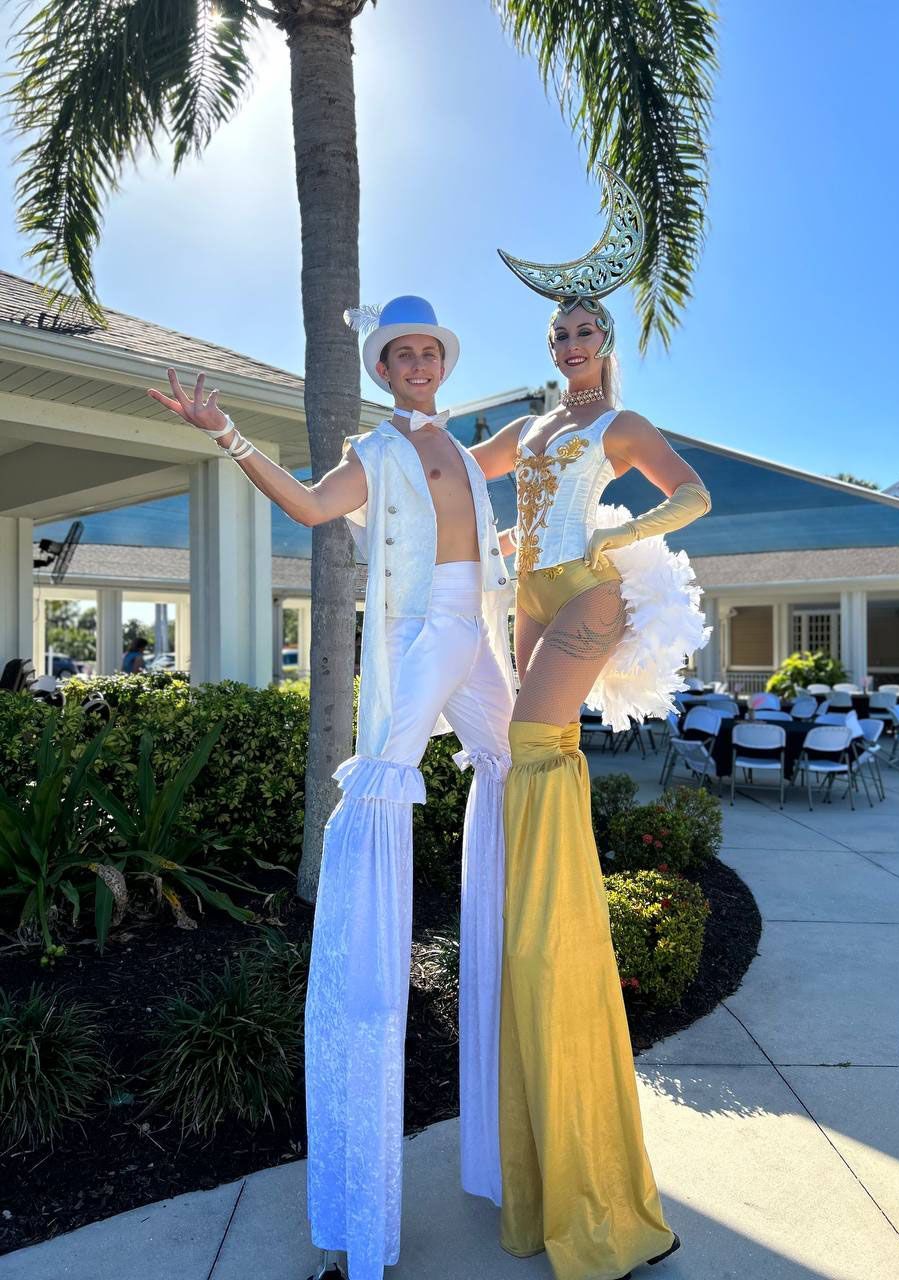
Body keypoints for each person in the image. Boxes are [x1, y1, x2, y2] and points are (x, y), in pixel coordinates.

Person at [146, 295, 515, 1280]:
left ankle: (515, 1111)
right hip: (427, 630)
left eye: (430, 348)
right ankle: (362, 1212)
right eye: (401, 353)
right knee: (381, 797)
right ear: (384, 368)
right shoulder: (380, 450)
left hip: (480, 630)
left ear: (446, 358)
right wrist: (224, 431)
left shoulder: (472, 452)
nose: (418, 362)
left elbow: (555, 456)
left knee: (523, 771)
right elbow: (311, 505)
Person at [470, 170, 711, 1279]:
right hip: (525, 590)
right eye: (558, 328)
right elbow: (469, 474)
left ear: (607, 338)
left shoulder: (622, 422)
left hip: (584, 587)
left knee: (533, 746)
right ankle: (537, 915)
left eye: (583, 327)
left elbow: (694, 496)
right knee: (527, 754)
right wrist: (404, 445)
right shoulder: (530, 423)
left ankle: (552, 929)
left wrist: (618, 545)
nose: (569, 339)